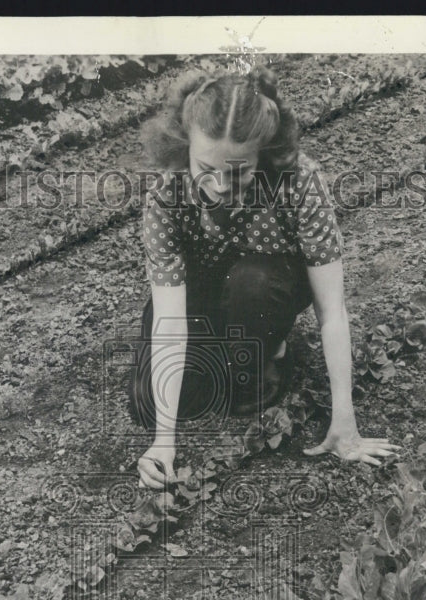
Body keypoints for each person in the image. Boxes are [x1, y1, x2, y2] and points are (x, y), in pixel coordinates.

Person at [129, 66, 398, 490]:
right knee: (150, 404)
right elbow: (169, 324)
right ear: (184, 148)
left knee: (249, 317)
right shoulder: (167, 194)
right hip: (202, 286)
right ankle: (226, 349)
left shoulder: (300, 182)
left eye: (238, 173)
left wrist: (345, 420)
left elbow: (333, 312)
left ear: (264, 154)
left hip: (264, 287)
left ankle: (271, 350)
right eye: (206, 168)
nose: (218, 186)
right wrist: (164, 442)